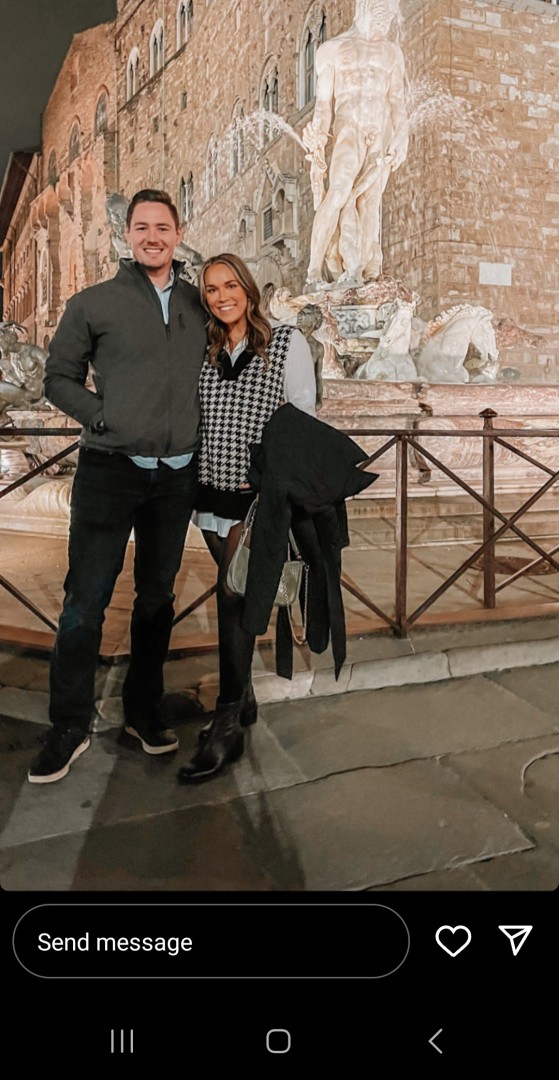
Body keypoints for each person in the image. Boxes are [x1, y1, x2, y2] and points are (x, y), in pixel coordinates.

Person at [28, 189, 207, 784]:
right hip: (110, 469)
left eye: (163, 227)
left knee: (157, 598)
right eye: (142, 227)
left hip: (177, 474)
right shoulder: (93, 303)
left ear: (178, 234)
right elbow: (58, 378)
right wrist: (103, 417)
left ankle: (142, 709)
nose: (152, 237)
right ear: (127, 236)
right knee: (85, 600)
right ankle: (69, 723)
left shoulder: (198, 304)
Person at [177, 253, 317, 784]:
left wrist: (269, 478)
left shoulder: (285, 342)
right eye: (211, 289)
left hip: (255, 496)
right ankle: (245, 701)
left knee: (232, 594)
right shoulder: (208, 348)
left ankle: (228, 721)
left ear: (249, 289)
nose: (221, 297)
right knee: (233, 586)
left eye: (230, 285)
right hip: (210, 491)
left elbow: (301, 416)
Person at [302, 0, 408, 287]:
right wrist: (318, 133)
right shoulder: (332, 50)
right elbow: (323, 104)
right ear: (364, 6)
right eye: (382, 11)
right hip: (349, 129)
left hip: (381, 131)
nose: (386, 19)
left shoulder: (392, 53)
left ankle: (369, 271)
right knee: (338, 193)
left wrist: (402, 134)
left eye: (390, 14)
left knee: (370, 201)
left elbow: (397, 100)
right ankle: (314, 271)